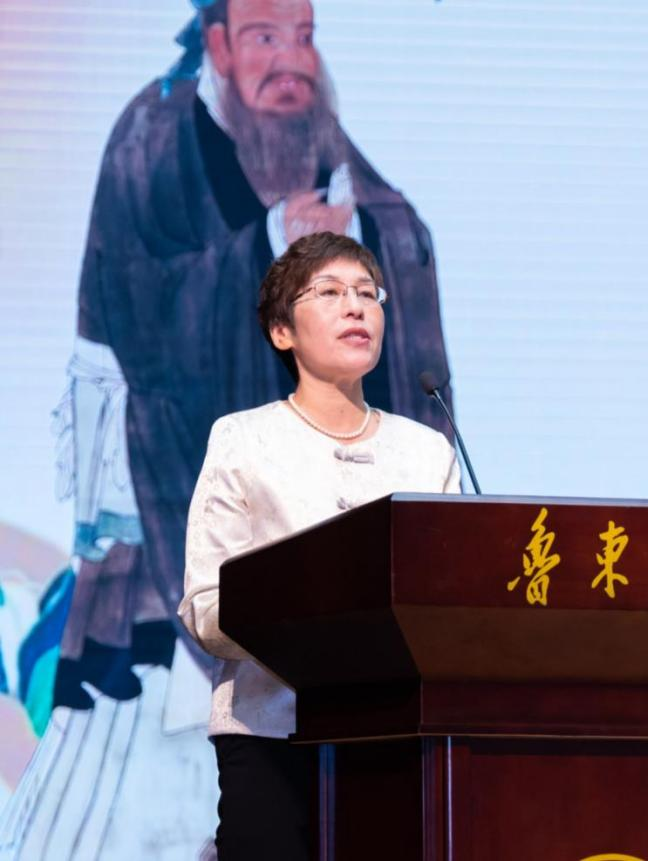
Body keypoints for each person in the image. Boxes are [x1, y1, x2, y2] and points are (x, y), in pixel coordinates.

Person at [50, 0, 452, 716]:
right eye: (265, 37)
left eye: (304, 36)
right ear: (219, 45)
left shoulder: (307, 118)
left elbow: (396, 223)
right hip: (175, 442)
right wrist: (267, 242)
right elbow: (134, 301)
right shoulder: (154, 130)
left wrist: (355, 230)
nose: (291, 59)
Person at [179, 232, 460, 859]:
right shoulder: (244, 440)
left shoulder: (427, 451)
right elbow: (205, 606)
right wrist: (312, 621)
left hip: (396, 736)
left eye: (367, 293)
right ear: (282, 332)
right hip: (270, 733)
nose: (355, 306)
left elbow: (448, 602)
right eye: (329, 293)